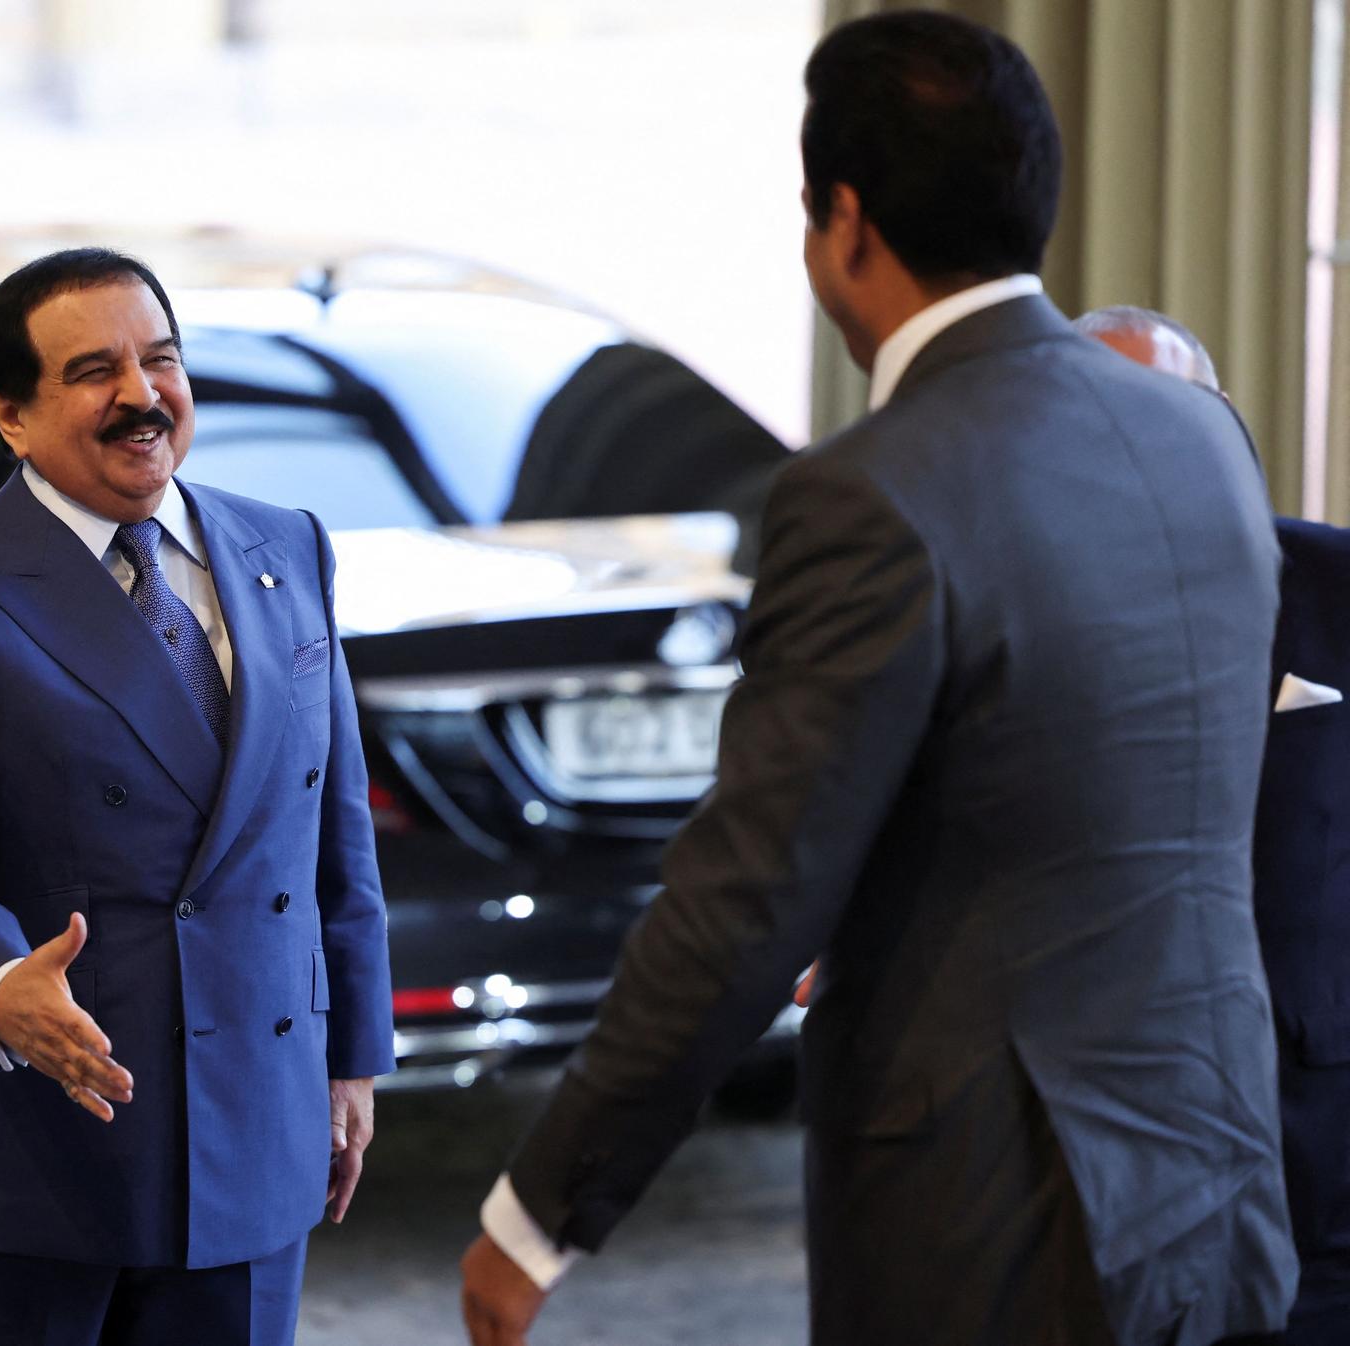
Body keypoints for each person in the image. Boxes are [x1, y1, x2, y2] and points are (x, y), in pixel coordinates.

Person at [459, 13, 1297, 1346]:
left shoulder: (870, 494)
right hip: (1220, 1165)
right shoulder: (1200, 436)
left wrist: (540, 1209)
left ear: (843, 221)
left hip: (999, 1213)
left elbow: (748, 899)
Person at [0, 247, 394, 1345]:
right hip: (26, 1148)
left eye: (161, 359)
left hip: (249, 1121)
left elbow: (328, 832)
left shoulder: (286, 545)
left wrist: (348, 1056)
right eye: (95, 370)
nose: (141, 396)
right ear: (8, 412)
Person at [1077, 304, 1350, 1346]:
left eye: (1170, 415)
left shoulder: (1333, 585)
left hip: (1315, 1160)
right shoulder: (1006, 619)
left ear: (1225, 424)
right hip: (1095, 1164)